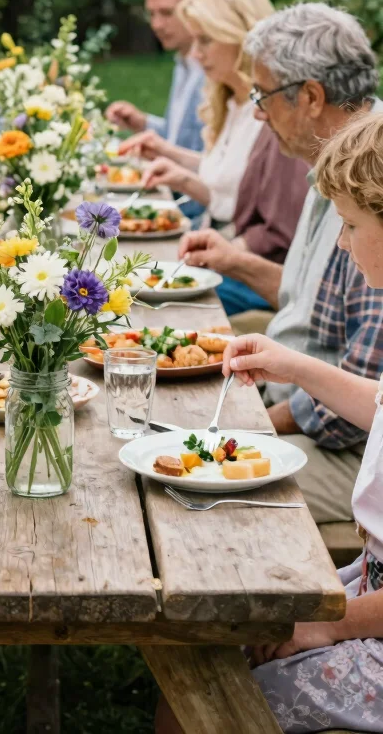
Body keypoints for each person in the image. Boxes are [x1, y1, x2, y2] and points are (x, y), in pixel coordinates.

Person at [154, 111, 383, 734]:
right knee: (214, 636)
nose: (341, 243)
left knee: (190, 707)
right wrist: (296, 365)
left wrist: (324, 624)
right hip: (367, 591)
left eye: (352, 225)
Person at [179, 2, 383, 526]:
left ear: (312, 97)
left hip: (347, 451)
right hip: (294, 402)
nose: (257, 113)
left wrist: (246, 428)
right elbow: (315, 307)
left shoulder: (369, 184)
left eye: (264, 96)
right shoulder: (333, 166)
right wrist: (237, 264)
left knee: (192, 493)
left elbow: (354, 411)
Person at [121, 0, 309, 315]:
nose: (195, 54)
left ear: (241, 37)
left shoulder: (272, 112)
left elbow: (276, 232)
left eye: (205, 40)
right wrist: (172, 161)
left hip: (252, 277)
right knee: (124, 277)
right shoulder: (229, 100)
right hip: (221, 249)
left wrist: (216, 254)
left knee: (141, 304)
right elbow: (225, 178)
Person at [106, 0, 211, 147]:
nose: (156, 25)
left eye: (167, 13)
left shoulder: (213, 71)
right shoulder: (183, 63)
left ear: (197, 8)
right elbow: (179, 139)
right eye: (151, 14)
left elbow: (210, 161)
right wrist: (144, 123)